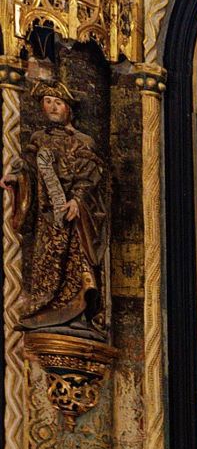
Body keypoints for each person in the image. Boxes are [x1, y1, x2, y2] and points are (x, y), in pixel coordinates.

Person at [1, 81, 108, 336]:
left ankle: (78, 314)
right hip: (47, 217)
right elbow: (29, 168)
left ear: (69, 108)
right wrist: (16, 179)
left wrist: (77, 200)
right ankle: (46, 313)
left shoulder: (83, 141)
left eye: (58, 102)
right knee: (46, 263)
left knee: (76, 263)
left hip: (74, 216)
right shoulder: (39, 139)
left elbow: (91, 174)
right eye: (47, 102)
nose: (52, 107)